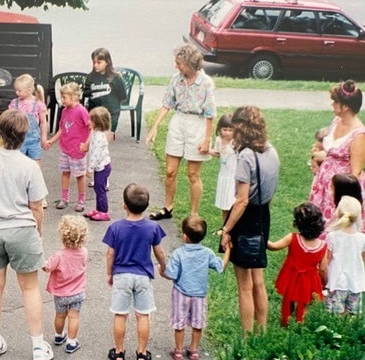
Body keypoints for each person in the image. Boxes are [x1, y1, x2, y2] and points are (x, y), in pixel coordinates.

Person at [0, 109, 53, 360]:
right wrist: (38, 231)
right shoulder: (29, 166)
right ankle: (38, 345)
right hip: (21, 229)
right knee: (29, 289)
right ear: (24, 136)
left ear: (0, 132)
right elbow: (37, 205)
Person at [219, 106, 280, 335]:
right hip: (264, 214)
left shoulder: (245, 156)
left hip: (245, 219)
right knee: (259, 279)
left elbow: (241, 200)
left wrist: (227, 229)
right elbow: (271, 190)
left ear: (241, 127)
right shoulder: (271, 151)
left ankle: (246, 335)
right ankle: (261, 331)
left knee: (244, 285)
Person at [145, 45, 216, 219]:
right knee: (170, 171)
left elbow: (210, 114)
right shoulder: (176, 79)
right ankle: (168, 207)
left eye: (179, 63)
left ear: (191, 65)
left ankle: (193, 214)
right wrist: (155, 127)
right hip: (179, 121)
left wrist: (207, 139)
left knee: (193, 174)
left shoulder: (206, 83)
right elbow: (167, 104)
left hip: (197, 124)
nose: (176, 66)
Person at [102, 183, 167, 360]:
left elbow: (110, 254)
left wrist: (109, 273)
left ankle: (119, 352)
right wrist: (163, 266)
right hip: (143, 276)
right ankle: (142, 353)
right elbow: (159, 251)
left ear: (124, 205)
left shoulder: (115, 228)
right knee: (143, 314)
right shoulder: (152, 227)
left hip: (121, 275)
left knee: (120, 314)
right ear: (146, 206)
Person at [164, 216, 230, 360]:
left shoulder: (178, 254)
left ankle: (178, 351)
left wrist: (161, 270)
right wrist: (228, 251)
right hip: (199, 294)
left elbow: (171, 275)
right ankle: (194, 350)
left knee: (179, 323)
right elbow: (220, 267)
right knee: (197, 323)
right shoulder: (207, 253)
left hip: (181, 293)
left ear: (184, 236)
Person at [309, 80, 365, 225]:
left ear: (345, 107)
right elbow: (331, 151)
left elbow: (355, 173)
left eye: (335, 101)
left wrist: (341, 199)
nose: (332, 104)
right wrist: (317, 155)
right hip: (323, 183)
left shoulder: (359, 134)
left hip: (338, 189)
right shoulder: (336, 121)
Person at [267, 203, 328, 326]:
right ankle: (301, 323)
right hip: (310, 279)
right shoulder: (323, 246)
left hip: (291, 276)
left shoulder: (292, 238)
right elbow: (323, 268)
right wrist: (325, 282)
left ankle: (285, 322)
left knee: (288, 299)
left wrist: (262, 237)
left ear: (298, 224)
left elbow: (273, 247)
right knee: (305, 303)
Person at [43, 215, 88, 354]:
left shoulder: (59, 255)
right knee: (74, 316)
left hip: (61, 293)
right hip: (77, 292)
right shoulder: (84, 253)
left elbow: (47, 267)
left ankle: (58, 336)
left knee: (60, 315)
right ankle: (71, 342)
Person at [46, 83, 90, 212]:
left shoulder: (81, 111)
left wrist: (86, 144)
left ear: (74, 96)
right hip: (65, 148)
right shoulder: (64, 111)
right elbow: (62, 128)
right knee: (65, 172)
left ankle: (81, 200)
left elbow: (90, 127)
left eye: (64, 97)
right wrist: (51, 141)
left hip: (77, 150)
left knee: (80, 175)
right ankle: (64, 198)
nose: (62, 100)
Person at [324, 196, 365, 315]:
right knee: (353, 318)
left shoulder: (332, 236)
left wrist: (326, 279)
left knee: (335, 318)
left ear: (338, 213)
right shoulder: (362, 238)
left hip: (336, 283)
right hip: (356, 283)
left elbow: (327, 261)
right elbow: (362, 258)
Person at [83, 48, 127, 134]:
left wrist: (114, 110)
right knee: (93, 141)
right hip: (94, 116)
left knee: (104, 142)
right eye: (94, 62)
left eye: (99, 62)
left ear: (107, 62)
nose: (95, 65)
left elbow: (122, 96)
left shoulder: (116, 78)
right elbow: (87, 95)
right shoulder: (90, 77)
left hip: (111, 116)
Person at [9, 74, 48, 162]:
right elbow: (10, 120)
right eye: (16, 90)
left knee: (35, 163)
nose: (16, 92)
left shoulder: (38, 103)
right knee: (18, 162)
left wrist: (44, 138)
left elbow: (43, 122)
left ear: (29, 90)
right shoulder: (14, 103)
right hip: (18, 139)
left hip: (34, 140)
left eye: (19, 90)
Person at [83, 107, 112, 221]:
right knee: (98, 188)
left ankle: (104, 212)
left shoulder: (99, 137)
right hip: (100, 166)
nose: (88, 122)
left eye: (91, 120)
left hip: (102, 167)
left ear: (97, 122)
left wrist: (89, 169)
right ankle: (98, 209)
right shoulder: (95, 132)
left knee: (100, 189)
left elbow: (95, 154)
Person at [210, 114, 237, 221]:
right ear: (220, 129)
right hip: (223, 175)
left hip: (233, 177)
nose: (227, 132)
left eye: (230, 130)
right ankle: (224, 224)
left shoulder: (236, 142)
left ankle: (233, 226)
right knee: (224, 203)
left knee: (232, 202)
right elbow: (218, 153)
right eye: (224, 129)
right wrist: (207, 150)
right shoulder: (218, 140)